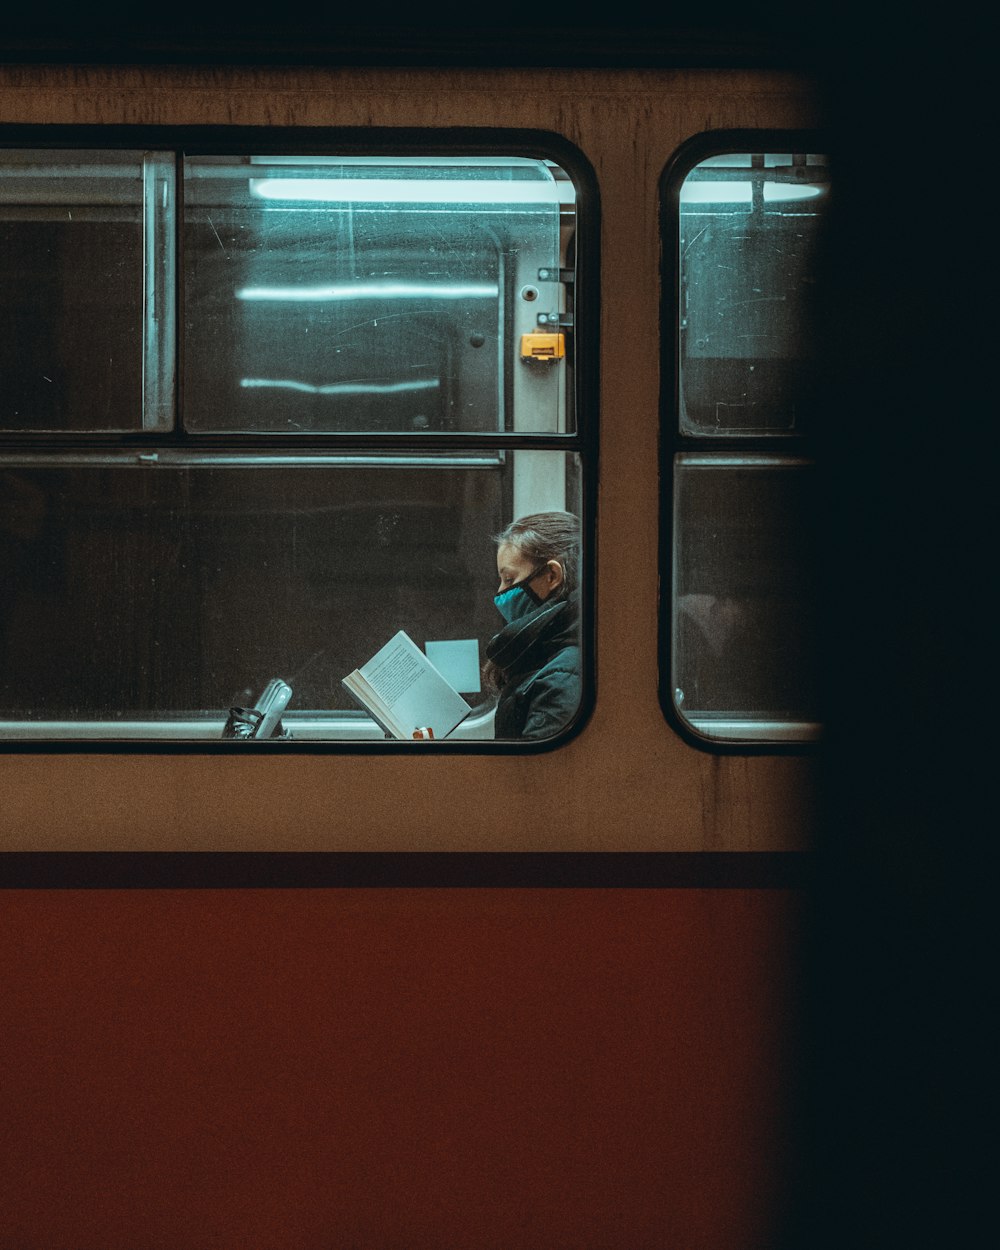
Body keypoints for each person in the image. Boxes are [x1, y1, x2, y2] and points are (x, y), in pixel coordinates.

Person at [483, 510, 582, 739]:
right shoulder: (544, 651)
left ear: (551, 576)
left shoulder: (564, 675)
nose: (500, 592)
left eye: (509, 579)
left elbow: (534, 773)